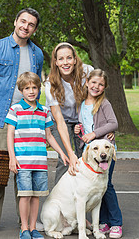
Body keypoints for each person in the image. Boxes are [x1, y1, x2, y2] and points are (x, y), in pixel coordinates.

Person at [0, 8, 44, 236]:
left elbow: (36, 89)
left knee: (25, 171)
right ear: (15, 21)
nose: (26, 26)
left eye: (31, 24)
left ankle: (24, 221)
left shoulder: (37, 55)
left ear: (34, 28)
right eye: (22, 21)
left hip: (27, 121)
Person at [5, 72, 69, 239]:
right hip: (23, 162)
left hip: (40, 162)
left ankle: (33, 228)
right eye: (27, 88)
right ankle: (24, 228)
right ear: (21, 90)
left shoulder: (44, 111)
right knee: (25, 196)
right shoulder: (15, 109)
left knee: (36, 196)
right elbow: (10, 135)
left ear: (39, 89)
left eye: (34, 87)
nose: (31, 91)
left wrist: (61, 152)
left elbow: (49, 136)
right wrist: (12, 157)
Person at [74, 69, 123, 239]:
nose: (96, 86)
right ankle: (103, 222)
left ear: (105, 87)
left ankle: (116, 223)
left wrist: (95, 134)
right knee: (95, 189)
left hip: (104, 152)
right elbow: (84, 126)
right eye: (93, 82)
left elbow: (113, 123)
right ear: (87, 82)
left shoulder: (104, 104)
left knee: (106, 186)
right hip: (90, 154)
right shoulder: (80, 103)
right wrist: (77, 129)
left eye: (101, 84)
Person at [44, 42, 93, 184]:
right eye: (61, 59)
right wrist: (70, 153)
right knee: (66, 157)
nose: (65, 62)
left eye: (69, 58)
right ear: (56, 62)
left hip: (80, 119)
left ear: (75, 60)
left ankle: (81, 196)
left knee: (83, 157)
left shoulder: (87, 72)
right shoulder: (50, 84)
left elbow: (98, 99)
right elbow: (59, 121)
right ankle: (60, 199)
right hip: (59, 121)